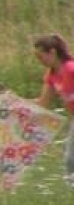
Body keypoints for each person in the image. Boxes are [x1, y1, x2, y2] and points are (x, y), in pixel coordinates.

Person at [32, 33, 74, 177]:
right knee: (70, 160)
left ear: (52, 52)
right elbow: (42, 103)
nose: (39, 61)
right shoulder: (52, 76)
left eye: (41, 56)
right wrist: (15, 102)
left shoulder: (70, 69)